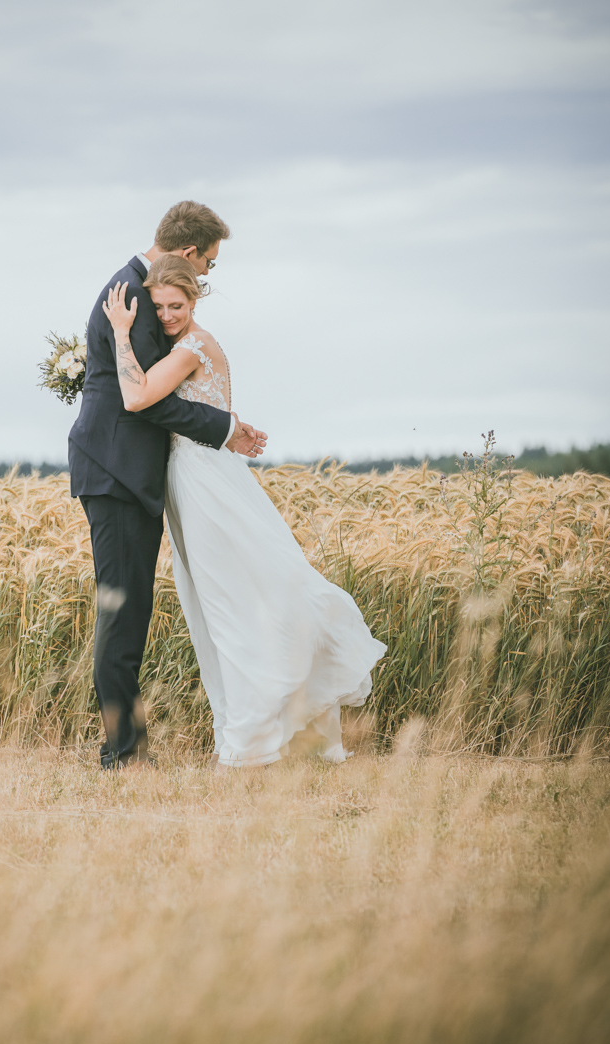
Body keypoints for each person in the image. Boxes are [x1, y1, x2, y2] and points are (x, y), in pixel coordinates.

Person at [102, 255, 386, 768]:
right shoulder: (183, 343)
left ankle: (254, 738)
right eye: (159, 307)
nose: (166, 316)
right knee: (225, 603)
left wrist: (121, 333)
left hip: (206, 485)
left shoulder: (191, 347)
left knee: (231, 605)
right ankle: (272, 727)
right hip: (198, 480)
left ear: (196, 299)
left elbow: (136, 395)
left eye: (177, 305)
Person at [68, 201, 268, 769]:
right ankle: (122, 752)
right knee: (122, 612)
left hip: (121, 469)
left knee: (128, 609)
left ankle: (125, 746)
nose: (207, 275)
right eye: (208, 262)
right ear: (187, 252)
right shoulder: (136, 295)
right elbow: (150, 402)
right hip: (117, 471)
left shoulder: (135, 285)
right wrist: (224, 429)